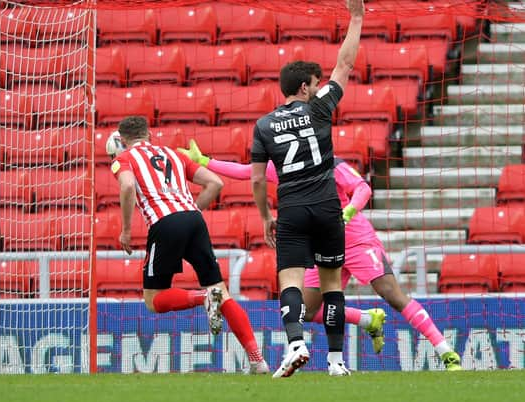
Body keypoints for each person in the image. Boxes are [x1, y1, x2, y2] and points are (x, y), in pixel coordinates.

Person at [179, 140, 462, 371]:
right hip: (321, 246)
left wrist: (348, 212)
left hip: (356, 240)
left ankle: (445, 351)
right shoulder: (286, 169)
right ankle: (367, 320)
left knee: (392, 294)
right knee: (307, 310)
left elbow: (362, 188)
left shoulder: (333, 164)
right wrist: (205, 162)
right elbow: (246, 172)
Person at [245, 0, 366, 378]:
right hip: (328, 207)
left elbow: (254, 178)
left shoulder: (263, 126)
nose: (319, 88)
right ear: (304, 86)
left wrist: (266, 217)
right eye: (315, 84)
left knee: (290, 281)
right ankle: (335, 362)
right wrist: (357, 17)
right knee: (332, 287)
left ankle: (296, 343)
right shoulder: (318, 110)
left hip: (293, 210)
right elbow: (344, 65)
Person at [108, 116, 269, 374]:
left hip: (164, 223)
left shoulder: (124, 158)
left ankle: (204, 298)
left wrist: (126, 230)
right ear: (149, 134)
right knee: (223, 292)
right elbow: (215, 183)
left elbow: (127, 186)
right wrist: (191, 211)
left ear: (123, 140)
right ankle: (257, 360)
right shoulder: (173, 154)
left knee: (154, 299)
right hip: (194, 219)